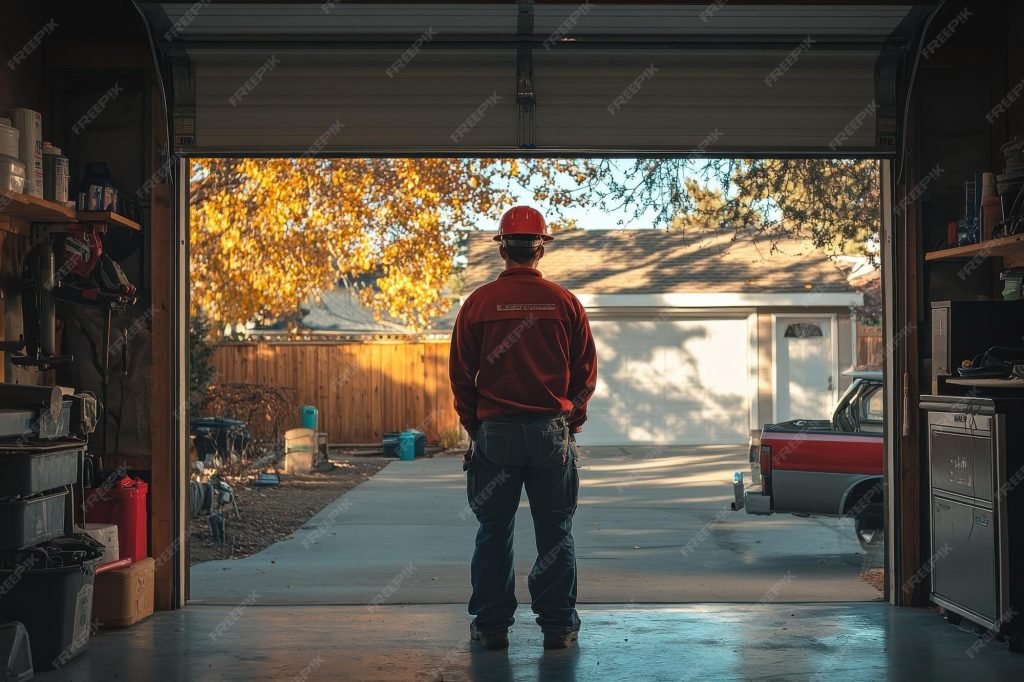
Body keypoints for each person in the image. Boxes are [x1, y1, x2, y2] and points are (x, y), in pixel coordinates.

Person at [449, 205, 597, 650]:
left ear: (502, 250)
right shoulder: (565, 303)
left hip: (496, 436)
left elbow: (461, 375)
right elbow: (585, 374)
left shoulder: (477, 304)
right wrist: (571, 419)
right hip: (550, 435)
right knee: (556, 532)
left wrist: (476, 427)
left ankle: (492, 629)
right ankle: (558, 628)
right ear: (540, 249)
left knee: (494, 531)